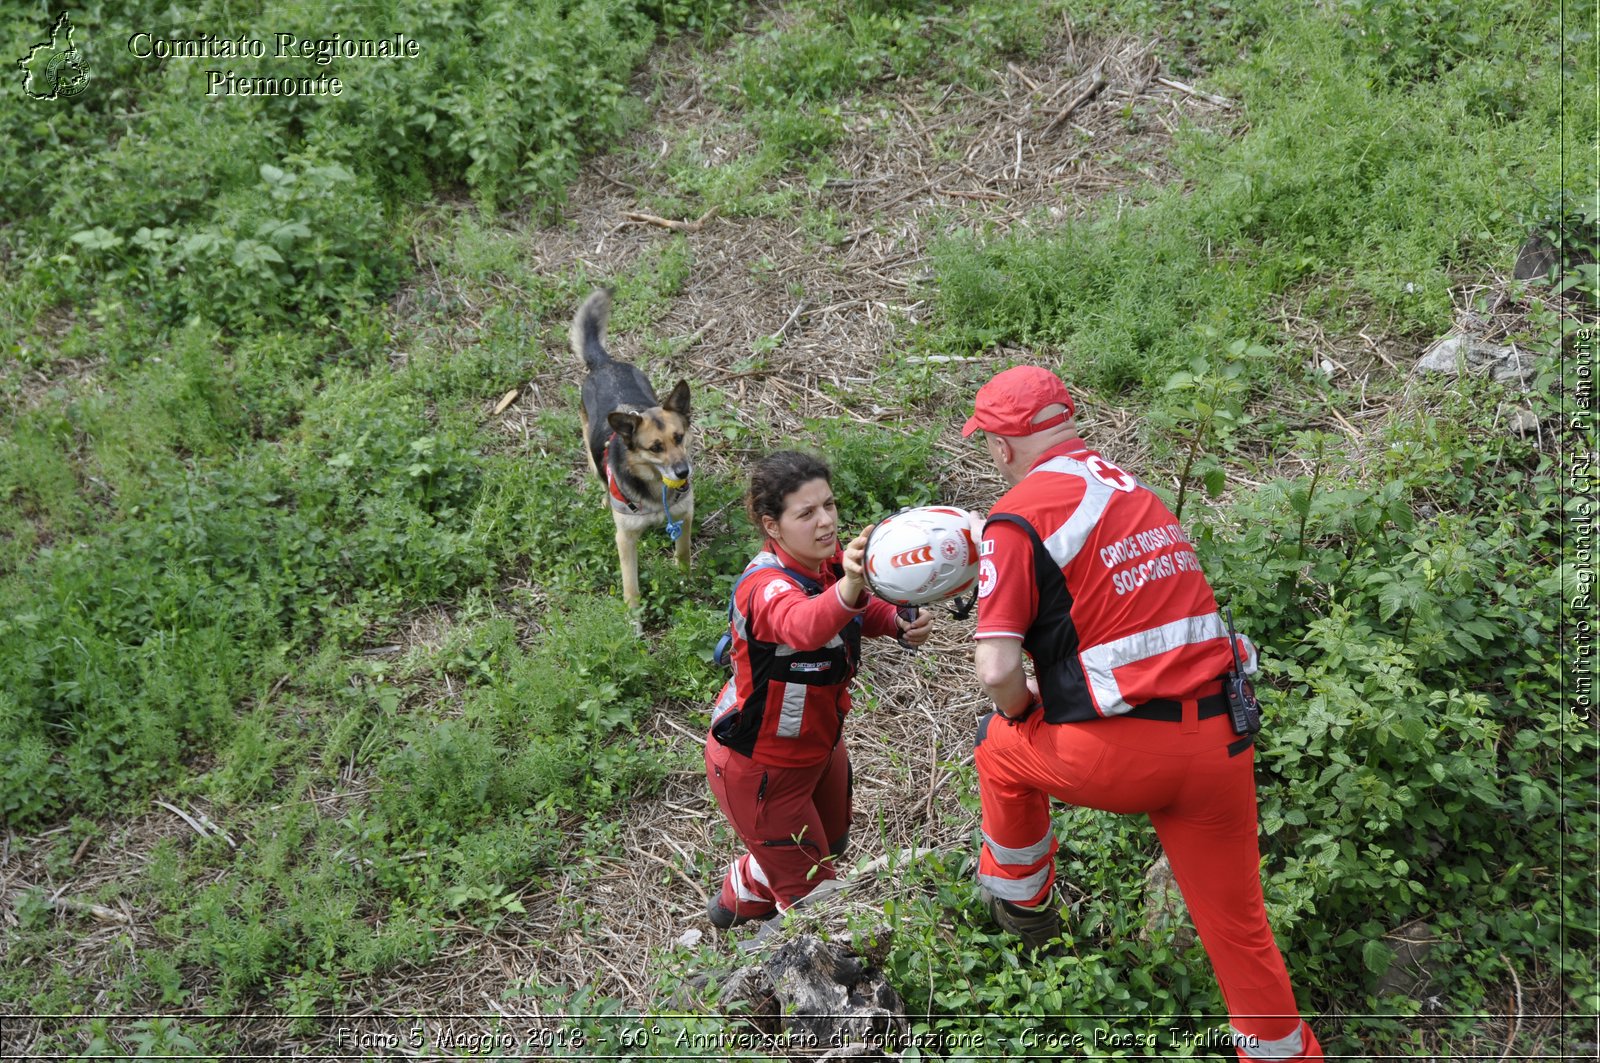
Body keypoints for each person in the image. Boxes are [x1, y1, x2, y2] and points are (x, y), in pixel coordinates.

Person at [961, 366, 1323, 1061]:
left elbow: (998, 671)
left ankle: (1021, 897)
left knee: (998, 743)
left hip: (1123, 755)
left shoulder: (1018, 515)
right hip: (1221, 740)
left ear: (1003, 446)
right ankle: (1285, 1053)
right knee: (1241, 932)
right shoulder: (1137, 494)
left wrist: (1026, 713)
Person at [704, 450, 934, 927]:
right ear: (773, 527)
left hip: (820, 746)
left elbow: (851, 611)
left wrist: (894, 620)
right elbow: (804, 625)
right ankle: (759, 955)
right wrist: (852, 584)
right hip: (762, 768)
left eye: (828, 505)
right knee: (817, 905)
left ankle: (744, 886)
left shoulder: (827, 563)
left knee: (832, 844)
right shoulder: (764, 587)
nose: (826, 522)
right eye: (806, 514)